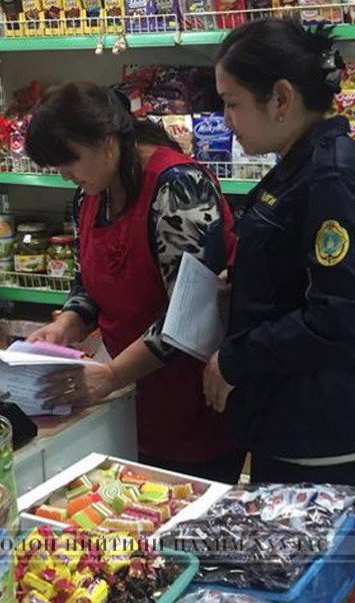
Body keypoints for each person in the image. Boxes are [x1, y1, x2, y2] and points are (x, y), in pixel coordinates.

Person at [203, 19, 355, 487]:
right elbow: (296, 273)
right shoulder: (300, 164)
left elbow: (341, 318)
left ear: (281, 98)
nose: (226, 120)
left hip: (321, 432)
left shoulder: (331, 176)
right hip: (290, 416)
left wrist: (236, 358)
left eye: (232, 103)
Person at [25, 82, 240, 483]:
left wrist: (112, 376)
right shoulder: (91, 195)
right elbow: (88, 280)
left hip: (192, 407)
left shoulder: (178, 188)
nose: (64, 174)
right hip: (129, 403)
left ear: (107, 143)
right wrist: (68, 323)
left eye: (69, 161)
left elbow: (192, 313)